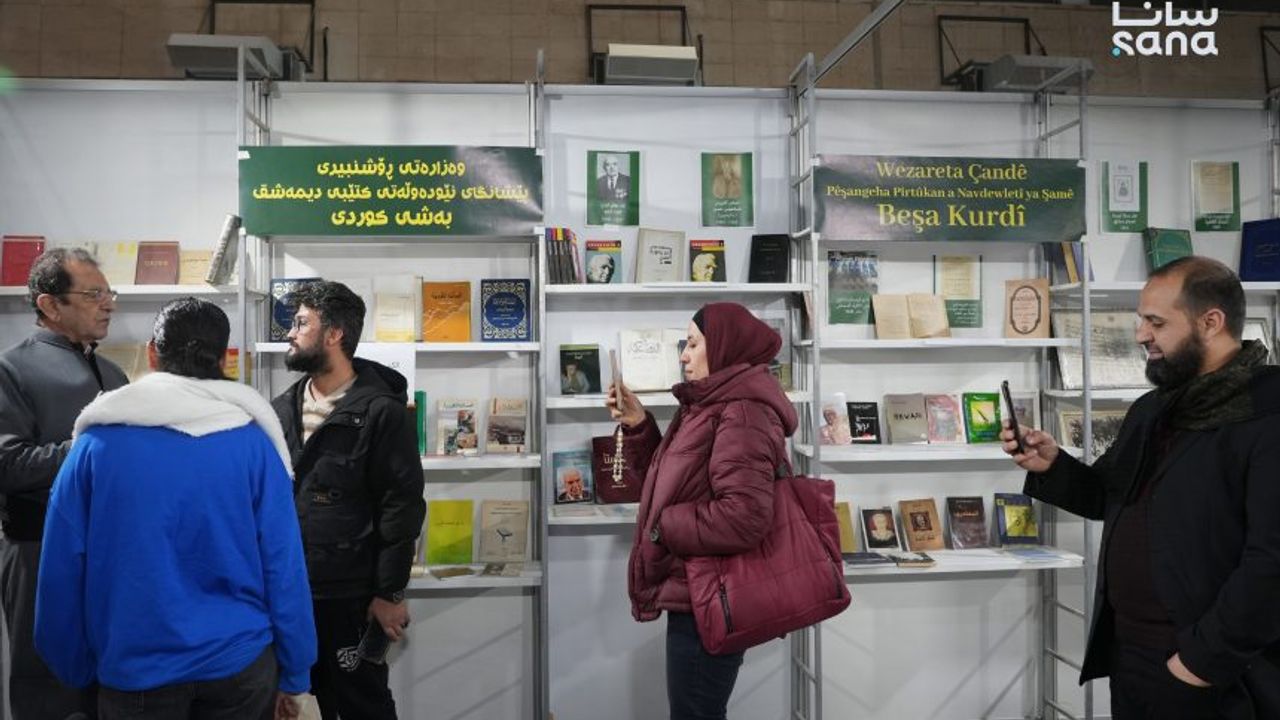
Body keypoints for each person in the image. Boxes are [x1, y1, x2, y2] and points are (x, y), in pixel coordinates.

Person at [1001, 256, 1280, 720]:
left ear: (1211, 322)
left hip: (1215, 673)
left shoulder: (1267, 416)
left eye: (1156, 322)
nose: (1140, 335)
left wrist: (1197, 664)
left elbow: (1271, 564)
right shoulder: (1153, 409)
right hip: (1131, 658)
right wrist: (1052, 464)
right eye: (1140, 320)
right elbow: (1110, 495)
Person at [34, 297, 317, 720]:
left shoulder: (95, 446)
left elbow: (60, 566)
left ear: (152, 353)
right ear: (223, 359)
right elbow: (283, 564)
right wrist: (295, 669)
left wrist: (77, 668)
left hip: (135, 667)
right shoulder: (254, 444)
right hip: (239, 664)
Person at [608, 302, 797, 720]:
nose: (683, 356)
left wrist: (664, 526)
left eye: (693, 344)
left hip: (710, 595)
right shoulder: (711, 405)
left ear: (724, 346)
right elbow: (677, 483)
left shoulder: (743, 412)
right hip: (698, 591)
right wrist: (639, 425)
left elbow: (744, 517)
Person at [272, 281, 425, 720]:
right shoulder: (279, 409)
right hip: (289, 593)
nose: (290, 333)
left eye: (302, 323)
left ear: (334, 334)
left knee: (362, 706)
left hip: (351, 599)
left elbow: (402, 508)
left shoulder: (382, 412)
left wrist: (389, 593)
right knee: (292, 707)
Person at [0, 247, 127, 719]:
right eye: (93, 294)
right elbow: (8, 465)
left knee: (110, 682)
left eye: (108, 293)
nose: (108, 304)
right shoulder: (11, 369)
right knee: (46, 684)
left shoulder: (113, 373)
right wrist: (89, 449)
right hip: (38, 551)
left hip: (111, 553)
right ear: (50, 305)